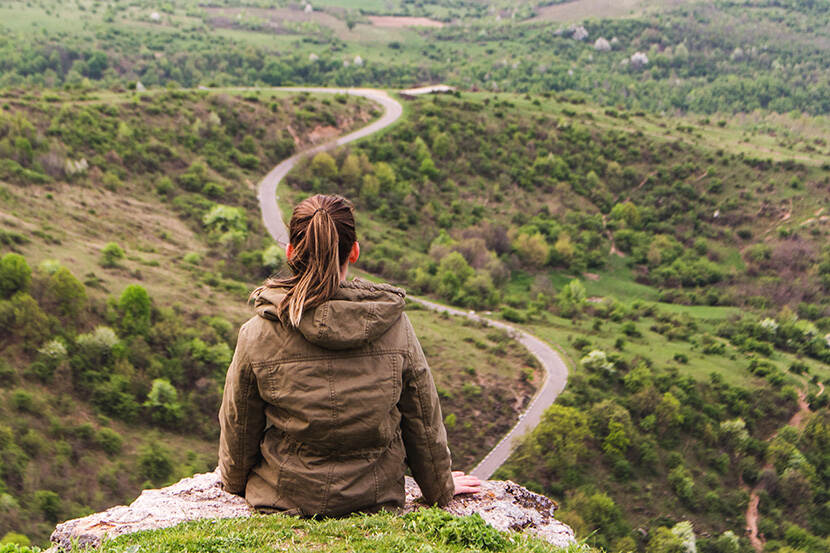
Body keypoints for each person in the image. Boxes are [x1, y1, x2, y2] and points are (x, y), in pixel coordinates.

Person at [218, 193, 480, 516]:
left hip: (282, 499)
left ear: (290, 253)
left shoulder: (257, 333)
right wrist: (440, 488)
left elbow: (239, 426)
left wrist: (232, 482)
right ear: (354, 251)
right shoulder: (394, 326)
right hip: (375, 500)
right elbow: (422, 420)